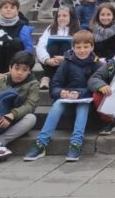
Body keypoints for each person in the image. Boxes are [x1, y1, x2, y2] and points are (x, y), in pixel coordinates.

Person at [24, 29, 100, 162]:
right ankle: (41, 143)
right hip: (67, 98)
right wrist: (60, 92)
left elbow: (96, 86)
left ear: (92, 47)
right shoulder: (66, 62)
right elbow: (55, 84)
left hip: (87, 101)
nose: (82, 50)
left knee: (82, 105)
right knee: (58, 104)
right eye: (78, 47)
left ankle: (76, 143)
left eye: (86, 47)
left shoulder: (97, 64)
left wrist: (80, 93)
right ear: (73, 47)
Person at [35, 4, 81, 90]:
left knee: (65, 45)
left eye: (64, 16)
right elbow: (40, 46)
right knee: (54, 45)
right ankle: (49, 77)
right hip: (50, 61)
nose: (61, 18)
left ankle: (48, 79)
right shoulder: (51, 28)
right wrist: (47, 59)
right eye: (59, 16)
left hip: (68, 61)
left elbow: (79, 49)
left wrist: (66, 58)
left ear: (71, 17)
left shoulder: (77, 30)